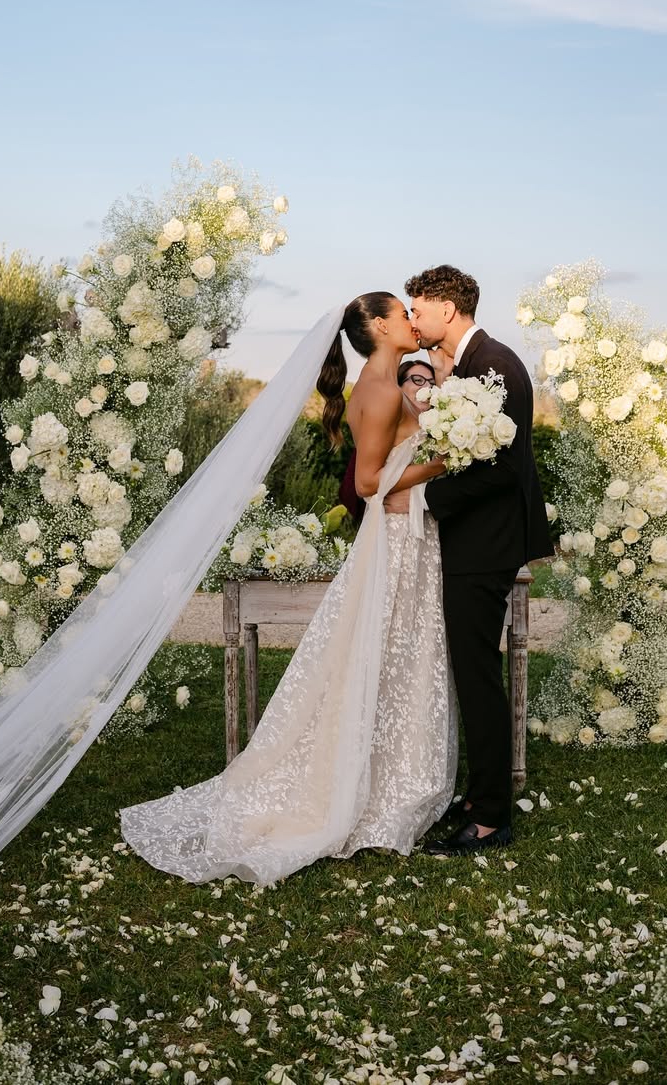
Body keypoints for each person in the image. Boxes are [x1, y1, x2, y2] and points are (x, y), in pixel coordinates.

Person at [120, 293, 457, 884]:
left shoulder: (379, 385)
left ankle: (387, 775)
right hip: (398, 537)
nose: (411, 320)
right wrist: (443, 463)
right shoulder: (381, 391)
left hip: (405, 533)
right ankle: (376, 786)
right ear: (380, 328)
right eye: (402, 314)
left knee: (393, 656)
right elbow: (369, 481)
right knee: (393, 653)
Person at [406, 264, 552, 856]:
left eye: (418, 309)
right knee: (472, 673)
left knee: (479, 677)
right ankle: (477, 796)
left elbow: (504, 468)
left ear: (447, 307)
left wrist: (427, 498)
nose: (413, 319)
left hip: (485, 544)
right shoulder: (471, 365)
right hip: (475, 542)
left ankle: (491, 817)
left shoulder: (495, 366)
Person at [338, 357, 437, 523]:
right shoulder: (383, 427)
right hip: (390, 520)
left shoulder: (441, 432)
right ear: (399, 386)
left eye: (432, 383)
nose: (427, 387)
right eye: (418, 380)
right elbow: (360, 485)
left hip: (431, 523)